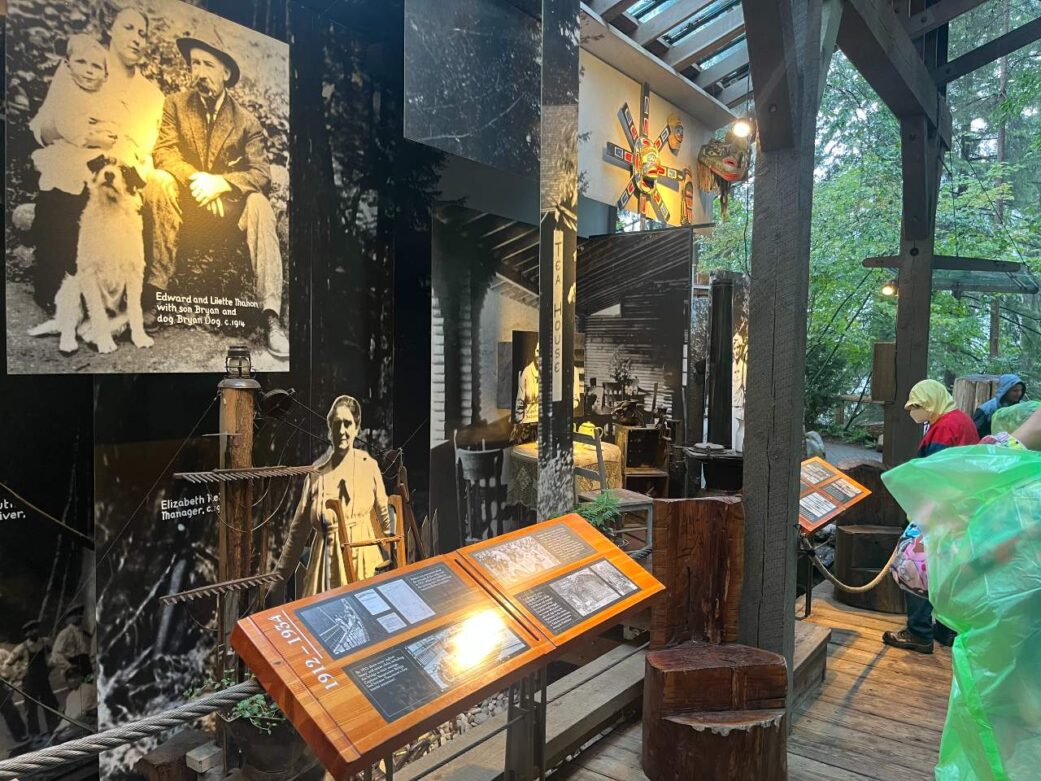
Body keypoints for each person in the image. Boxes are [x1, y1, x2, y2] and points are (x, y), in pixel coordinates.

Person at [143, 25, 287, 358]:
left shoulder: (247, 122)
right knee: (158, 179)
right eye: (195, 63)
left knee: (260, 204)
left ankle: (271, 316)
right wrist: (201, 180)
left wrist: (222, 184)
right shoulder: (175, 105)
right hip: (186, 205)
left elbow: (261, 175)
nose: (200, 72)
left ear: (226, 73)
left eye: (208, 65)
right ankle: (155, 293)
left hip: (228, 213)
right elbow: (164, 152)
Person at [883, 379, 979, 654]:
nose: (914, 411)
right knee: (948, 571)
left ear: (931, 401)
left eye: (917, 405)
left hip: (939, 512)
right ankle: (946, 629)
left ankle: (919, 631)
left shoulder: (944, 428)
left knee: (915, 567)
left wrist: (919, 509)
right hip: (961, 510)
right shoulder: (962, 421)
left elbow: (934, 475)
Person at [276, 396, 391, 596]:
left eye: (347, 424)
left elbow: (386, 522)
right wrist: (277, 583)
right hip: (326, 572)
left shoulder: (369, 467)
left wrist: (394, 564)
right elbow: (297, 534)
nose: (342, 431)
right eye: (337, 424)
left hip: (364, 566)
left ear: (357, 427)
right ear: (330, 429)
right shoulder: (317, 476)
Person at [512, 342, 583, 443]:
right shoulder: (528, 371)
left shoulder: (571, 371)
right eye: (537, 351)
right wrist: (521, 425)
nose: (538, 355)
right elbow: (519, 404)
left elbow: (575, 400)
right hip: (530, 426)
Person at [8, 621, 59, 737]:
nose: (34, 632)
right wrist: (17, 673)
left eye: (35, 628)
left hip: (43, 679)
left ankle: (54, 729)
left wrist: (51, 665)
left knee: (50, 703)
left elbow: (56, 653)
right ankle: (35, 734)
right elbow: (9, 662)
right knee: (31, 708)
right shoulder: (21, 648)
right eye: (30, 630)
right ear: (26, 634)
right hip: (29, 681)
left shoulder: (45, 642)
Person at [972, 373, 1026, 438]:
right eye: (1015, 391)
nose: (1019, 393)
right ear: (1005, 390)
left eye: (1021, 390)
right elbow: (973, 432)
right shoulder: (986, 410)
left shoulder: (1023, 407)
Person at [50, 606, 92, 677]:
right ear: (69, 618)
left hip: (86, 666)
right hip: (73, 667)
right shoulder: (65, 633)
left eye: (81, 614)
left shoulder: (84, 633)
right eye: (76, 614)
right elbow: (55, 654)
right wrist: (68, 666)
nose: (79, 616)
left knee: (88, 683)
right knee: (76, 683)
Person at [0, 647, 28, 748]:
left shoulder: (2, 652)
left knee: (11, 711)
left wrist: (11, 680)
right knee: (8, 711)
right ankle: (19, 735)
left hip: (3, 685)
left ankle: (21, 733)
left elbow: (12, 665)